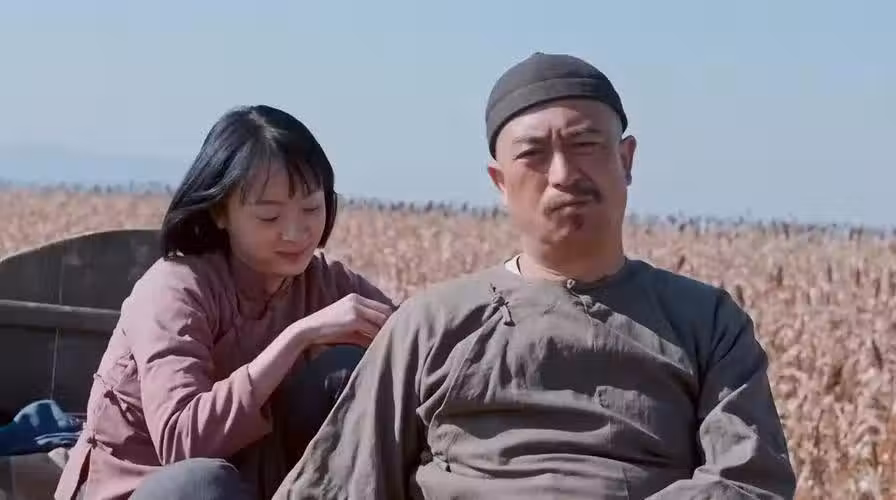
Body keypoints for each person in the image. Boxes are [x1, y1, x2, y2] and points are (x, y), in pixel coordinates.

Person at [273, 52, 797, 499]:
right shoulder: (430, 324)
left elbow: (748, 480)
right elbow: (341, 481)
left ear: (626, 159)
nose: (564, 175)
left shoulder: (706, 322)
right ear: (500, 182)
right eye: (534, 155)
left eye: (585, 144)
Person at [54, 105, 396, 500]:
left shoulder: (324, 282)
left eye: (311, 209)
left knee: (347, 372)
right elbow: (184, 444)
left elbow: (416, 336)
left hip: (257, 483)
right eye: (269, 216)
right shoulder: (175, 289)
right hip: (149, 488)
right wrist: (296, 339)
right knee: (203, 484)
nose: (295, 232)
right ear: (220, 212)